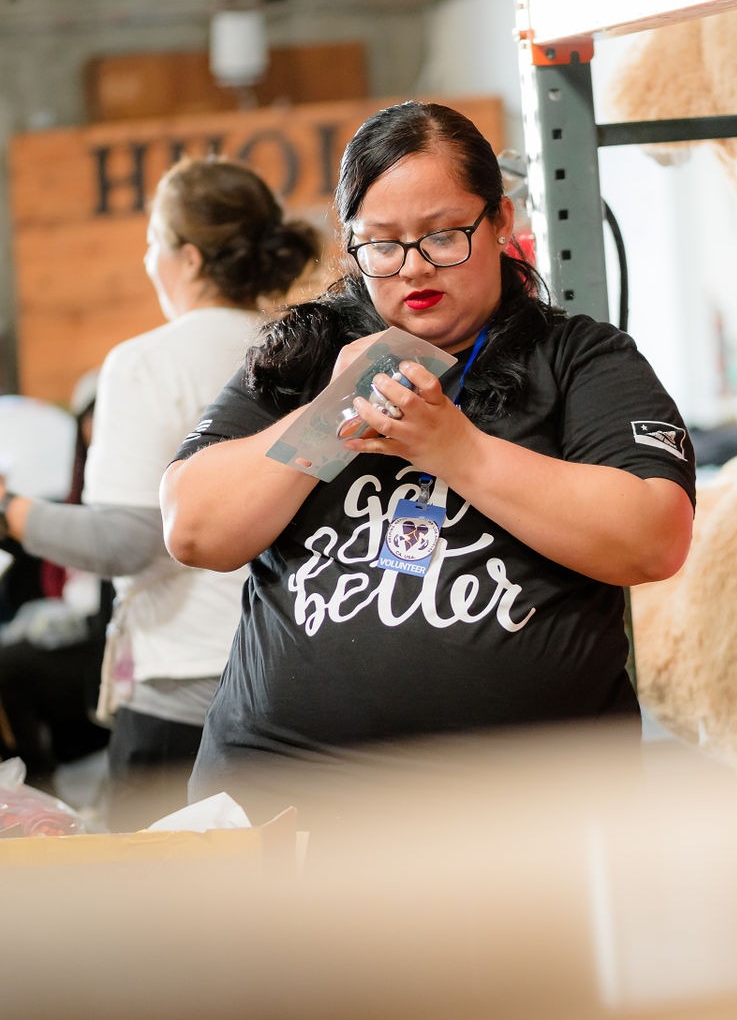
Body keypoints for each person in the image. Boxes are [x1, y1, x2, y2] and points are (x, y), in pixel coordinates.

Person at [161, 101, 696, 816]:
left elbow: (654, 537)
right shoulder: (310, 353)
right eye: (381, 244)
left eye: (444, 235)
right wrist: (329, 415)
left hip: (519, 819)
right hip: (281, 801)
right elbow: (193, 528)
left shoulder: (579, 358)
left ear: (500, 221)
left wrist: (459, 452)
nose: (414, 269)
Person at [0, 156, 321, 826]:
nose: (147, 259)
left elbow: (126, 540)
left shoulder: (146, 363)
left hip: (185, 694)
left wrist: (10, 511)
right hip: (296, 678)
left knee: (156, 916)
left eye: (151, 241)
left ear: (189, 259)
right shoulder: (307, 348)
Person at [0, 371, 112, 786]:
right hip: (72, 627)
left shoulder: (134, 490)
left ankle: (37, 783)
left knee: (9, 668)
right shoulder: (69, 492)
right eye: (91, 418)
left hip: (103, 638)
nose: (98, 429)